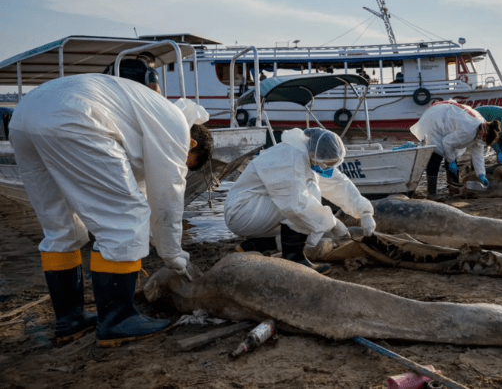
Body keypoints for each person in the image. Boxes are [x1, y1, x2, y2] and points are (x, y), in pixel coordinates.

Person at [9, 73, 213, 347]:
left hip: (25, 116)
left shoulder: (149, 116)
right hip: (75, 115)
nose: (182, 167)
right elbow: (167, 198)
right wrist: (173, 256)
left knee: (61, 227)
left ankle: (69, 320)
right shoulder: (175, 127)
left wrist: (159, 241)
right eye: (188, 164)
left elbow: (143, 193)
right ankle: (117, 319)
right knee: (125, 220)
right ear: (192, 145)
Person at [223, 128, 376, 275]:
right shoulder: (289, 159)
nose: (327, 168)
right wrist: (333, 222)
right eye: (326, 164)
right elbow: (296, 204)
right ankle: (294, 258)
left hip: (257, 209)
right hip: (243, 212)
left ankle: (258, 245)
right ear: (312, 153)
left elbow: (338, 184)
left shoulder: (310, 154)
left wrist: (365, 211)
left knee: (313, 216)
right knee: (310, 195)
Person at [410, 100, 501, 200]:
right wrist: (451, 161)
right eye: (483, 140)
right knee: (436, 155)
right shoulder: (468, 130)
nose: (482, 143)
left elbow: (477, 154)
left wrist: (481, 174)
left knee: (451, 156)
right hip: (435, 119)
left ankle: (454, 189)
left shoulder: (482, 129)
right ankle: (431, 193)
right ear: (483, 134)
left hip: (447, 117)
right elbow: (446, 142)